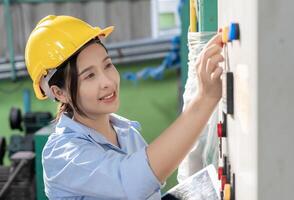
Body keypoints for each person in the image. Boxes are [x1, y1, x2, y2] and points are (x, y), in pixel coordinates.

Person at [25, 15, 224, 200]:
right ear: (60, 93)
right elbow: (130, 183)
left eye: (108, 65)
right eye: (89, 76)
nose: (107, 82)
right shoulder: (62, 155)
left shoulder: (127, 133)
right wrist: (205, 98)